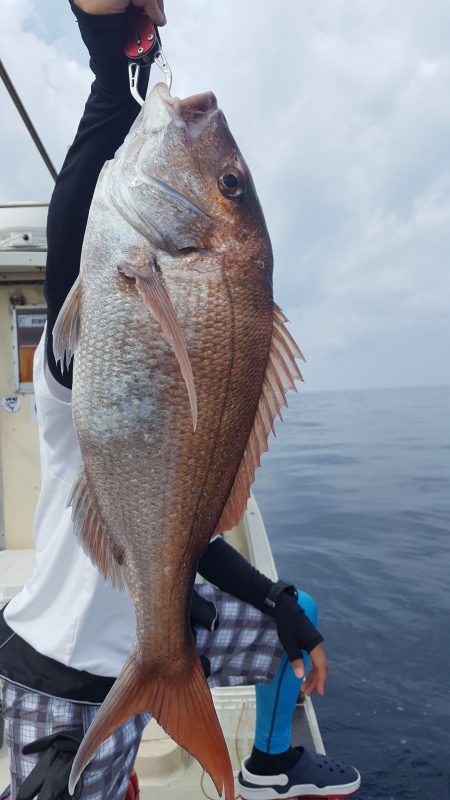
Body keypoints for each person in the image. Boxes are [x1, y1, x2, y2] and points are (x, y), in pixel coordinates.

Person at [0, 2, 361, 799]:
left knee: (288, 617)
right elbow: (81, 194)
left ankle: (269, 761)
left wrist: (275, 599)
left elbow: (186, 530)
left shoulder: (143, 294)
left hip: (144, 640)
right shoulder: (75, 368)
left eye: (227, 184)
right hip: (58, 677)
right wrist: (116, 51)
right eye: (232, 186)